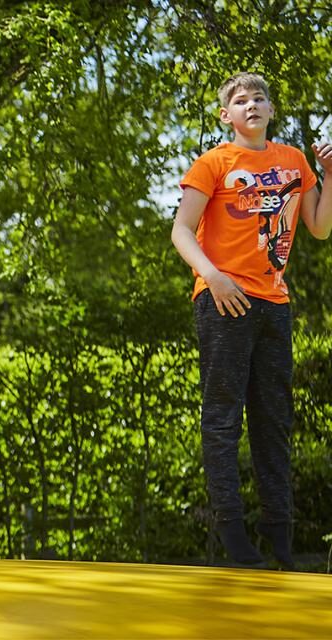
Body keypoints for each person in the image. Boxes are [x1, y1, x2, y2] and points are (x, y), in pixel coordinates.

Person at [169, 71, 332, 568]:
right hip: (223, 299)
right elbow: (180, 231)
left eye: (259, 98)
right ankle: (233, 537)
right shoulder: (213, 162)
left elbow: (320, 229)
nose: (252, 105)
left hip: (274, 304)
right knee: (222, 417)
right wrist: (213, 277)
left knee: (273, 420)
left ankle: (278, 536)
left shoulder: (293, 161)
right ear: (227, 115)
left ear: (271, 110)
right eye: (241, 100)